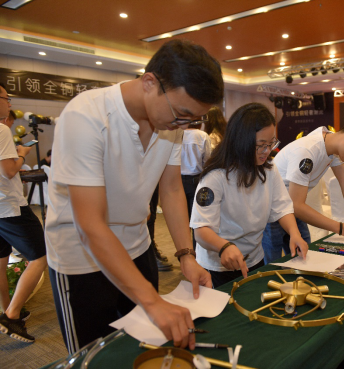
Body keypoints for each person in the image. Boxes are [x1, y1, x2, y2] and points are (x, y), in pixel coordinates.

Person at [44, 40, 223, 353]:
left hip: (137, 248)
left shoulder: (170, 123)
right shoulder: (87, 116)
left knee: (143, 347)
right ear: (150, 82)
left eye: (191, 119)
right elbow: (91, 226)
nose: (182, 125)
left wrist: (186, 255)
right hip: (80, 259)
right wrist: (153, 301)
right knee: (94, 355)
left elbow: (170, 188)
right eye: (181, 114)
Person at [190, 103, 308, 288]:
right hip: (218, 266)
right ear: (240, 141)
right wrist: (224, 246)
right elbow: (201, 230)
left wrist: (294, 233)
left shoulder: (269, 169)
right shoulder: (216, 177)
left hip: (254, 259)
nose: (267, 151)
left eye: (271, 144)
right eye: (261, 145)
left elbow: (282, 207)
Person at [262, 115, 344, 264]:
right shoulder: (307, 151)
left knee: (304, 258)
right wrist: (340, 228)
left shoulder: (332, 146)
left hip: (290, 209)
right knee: (272, 263)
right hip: (270, 211)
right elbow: (297, 204)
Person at [0, 93, 47, 343]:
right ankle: (12, 315)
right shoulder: (0, 129)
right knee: (40, 256)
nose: (9, 103)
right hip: (9, 206)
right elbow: (9, 171)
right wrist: (21, 154)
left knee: (1, 257)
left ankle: (5, 307)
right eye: (6, 98)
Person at [181, 126, 212, 250]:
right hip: (197, 180)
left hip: (179, 181)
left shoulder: (177, 134)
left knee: (182, 220)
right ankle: (196, 253)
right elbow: (208, 160)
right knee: (197, 219)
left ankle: (185, 253)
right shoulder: (203, 135)